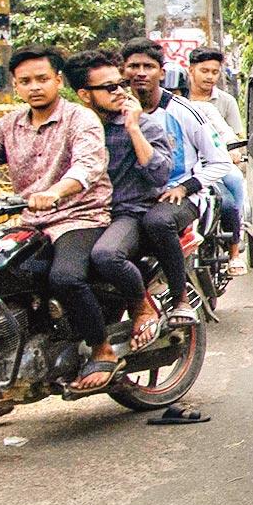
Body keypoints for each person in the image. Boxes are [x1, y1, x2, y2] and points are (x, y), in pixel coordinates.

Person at [0, 47, 114, 429]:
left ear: (58, 81)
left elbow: (88, 165)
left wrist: (59, 191)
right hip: (31, 219)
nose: (34, 87)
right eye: (25, 81)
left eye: (42, 79)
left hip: (79, 215)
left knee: (65, 277)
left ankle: (103, 348)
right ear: (15, 86)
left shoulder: (81, 119)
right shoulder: (10, 125)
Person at [122, 39, 234, 328]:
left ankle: (180, 297)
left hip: (179, 196)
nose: (140, 73)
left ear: (162, 72)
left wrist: (186, 187)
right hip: (129, 199)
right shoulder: (111, 114)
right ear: (122, 72)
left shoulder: (184, 111)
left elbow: (220, 161)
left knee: (157, 224)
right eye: (134, 66)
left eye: (148, 66)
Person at [76, 51, 174, 348]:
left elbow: (160, 175)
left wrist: (132, 127)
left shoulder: (145, 126)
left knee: (106, 256)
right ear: (84, 95)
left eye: (120, 84)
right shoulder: (76, 129)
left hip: (128, 213)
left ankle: (142, 305)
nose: (119, 91)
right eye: (109, 88)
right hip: (83, 214)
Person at [186, 47, 249, 276]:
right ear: (190, 70)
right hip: (184, 167)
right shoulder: (174, 102)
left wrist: (231, 152)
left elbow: (231, 136)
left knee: (232, 192)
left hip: (215, 164)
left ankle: (235, 248)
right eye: (204, 70)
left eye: (215, 71)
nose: (209, 76)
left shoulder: (215, 106)